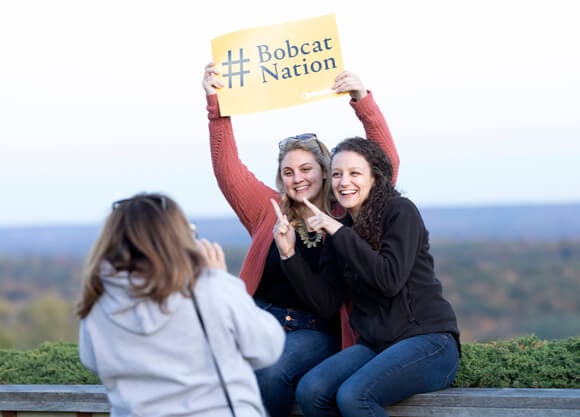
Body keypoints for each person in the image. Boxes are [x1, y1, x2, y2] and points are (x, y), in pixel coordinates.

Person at [202, 63, 400, 417]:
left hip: (315, 330)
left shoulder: (348, 212)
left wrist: (362, 101)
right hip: (259, 318)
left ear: (325, 171)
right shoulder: (268, 210)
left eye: (306, 169)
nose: (297, 178)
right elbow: (227, 170)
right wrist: (216, 106)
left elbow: (384, 165)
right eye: (288, 172)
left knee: (271, 372)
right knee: (208, 373)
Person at [283, 138, 460, 417]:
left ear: (375, 177)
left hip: (429, 343)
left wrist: (339, 233)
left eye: (355, 173)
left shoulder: (400, 212)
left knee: (354, 396)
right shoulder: (340, 232)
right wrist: (289, 255)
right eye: (338, 174)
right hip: (376, 346)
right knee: (311, 391)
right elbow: (326, 303)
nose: (344, 182)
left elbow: (389, 279)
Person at [76, 192, 285, 417]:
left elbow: (92, 361)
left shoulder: (98, 304)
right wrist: (222, 280)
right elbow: (268, 347)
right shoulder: (208, 288)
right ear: (176, 238)